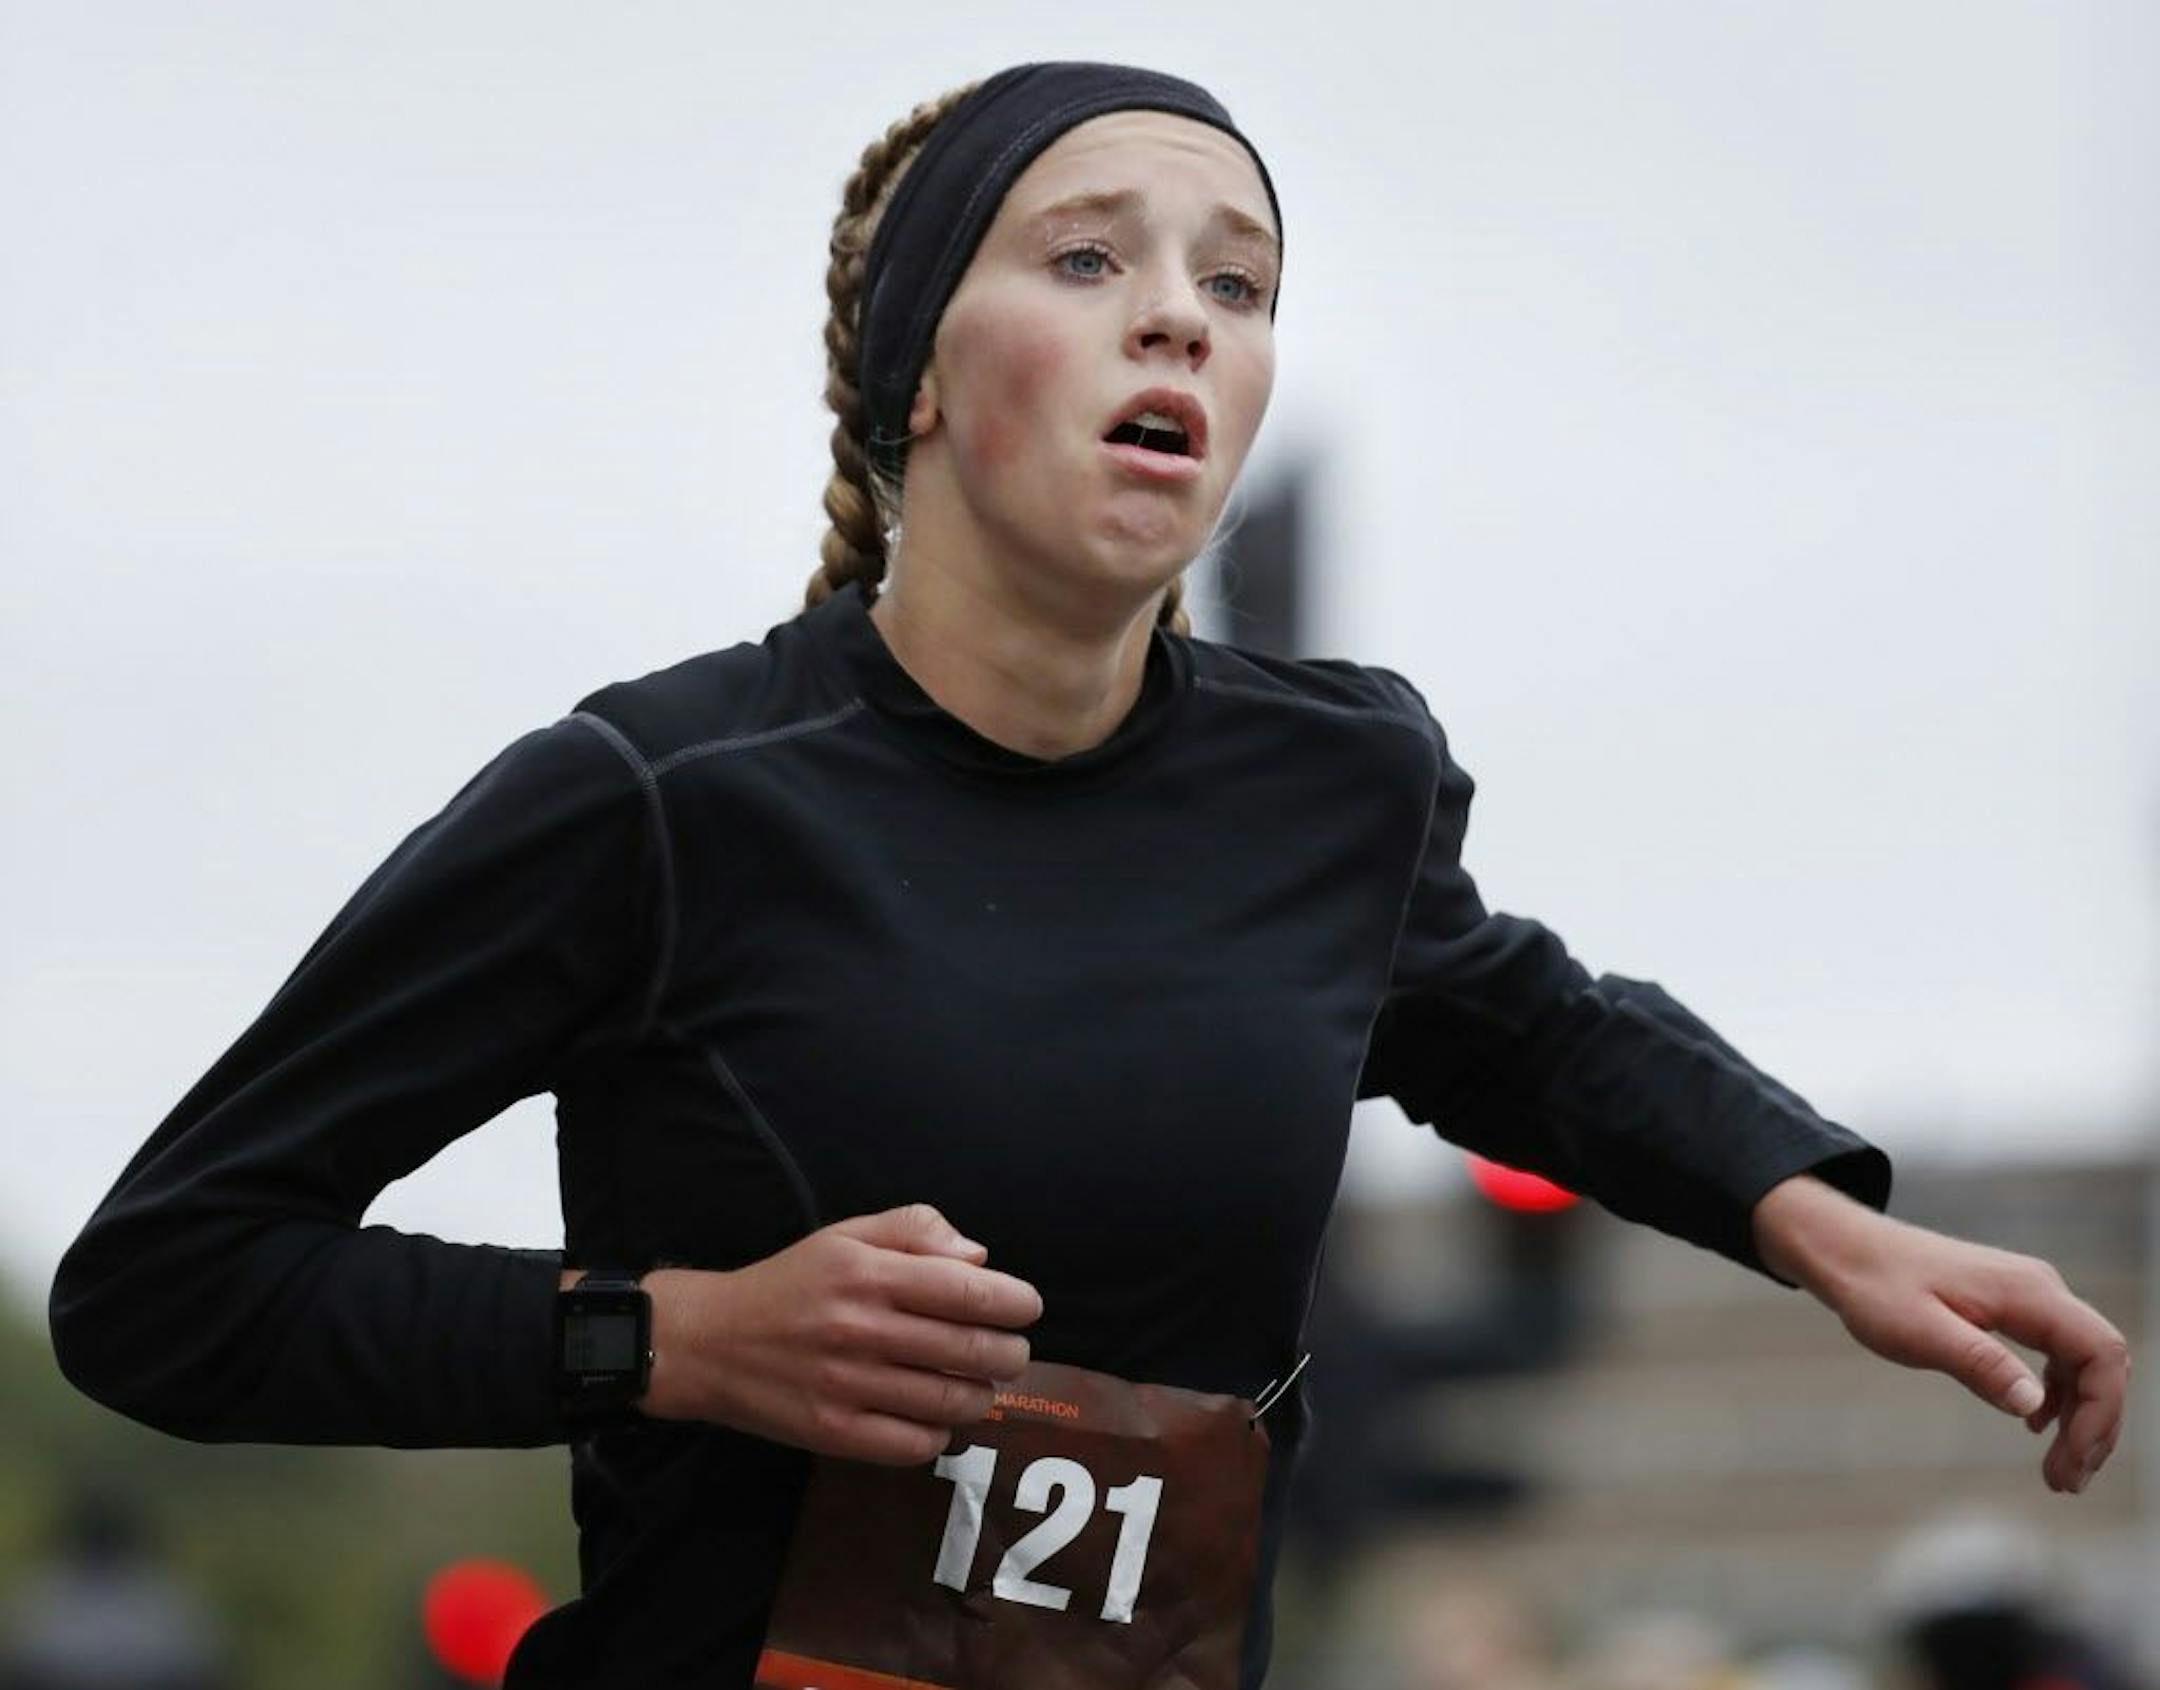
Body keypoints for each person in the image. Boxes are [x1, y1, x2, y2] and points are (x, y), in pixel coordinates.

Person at [46, 60, 2129, 1690]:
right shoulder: (662, 794)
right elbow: (170, 1285)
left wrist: (1818, 1216)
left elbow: (1527, 1026)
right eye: (1088, 260)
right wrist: (668, 1336)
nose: (1181, 322)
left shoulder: (1337, 782)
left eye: (1237, 285)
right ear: (917, 379)